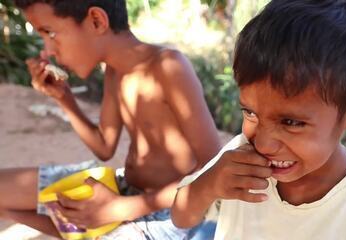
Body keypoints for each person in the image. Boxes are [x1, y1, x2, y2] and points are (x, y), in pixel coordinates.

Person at [171, 0, 346, 239]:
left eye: (291, 122)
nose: (263, 145)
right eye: (250, 113)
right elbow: (181, 217)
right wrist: (209, 186)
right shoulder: (241, 157)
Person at [0, 0, 221, 239]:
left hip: (168, 213)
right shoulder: (115, 71)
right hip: (121, 189)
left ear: (96, 20)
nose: (47, 50)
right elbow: (105, 146)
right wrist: (65, 100)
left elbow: (213, 170)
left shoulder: (169, 67)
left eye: (50, 33)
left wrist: (120, 209)